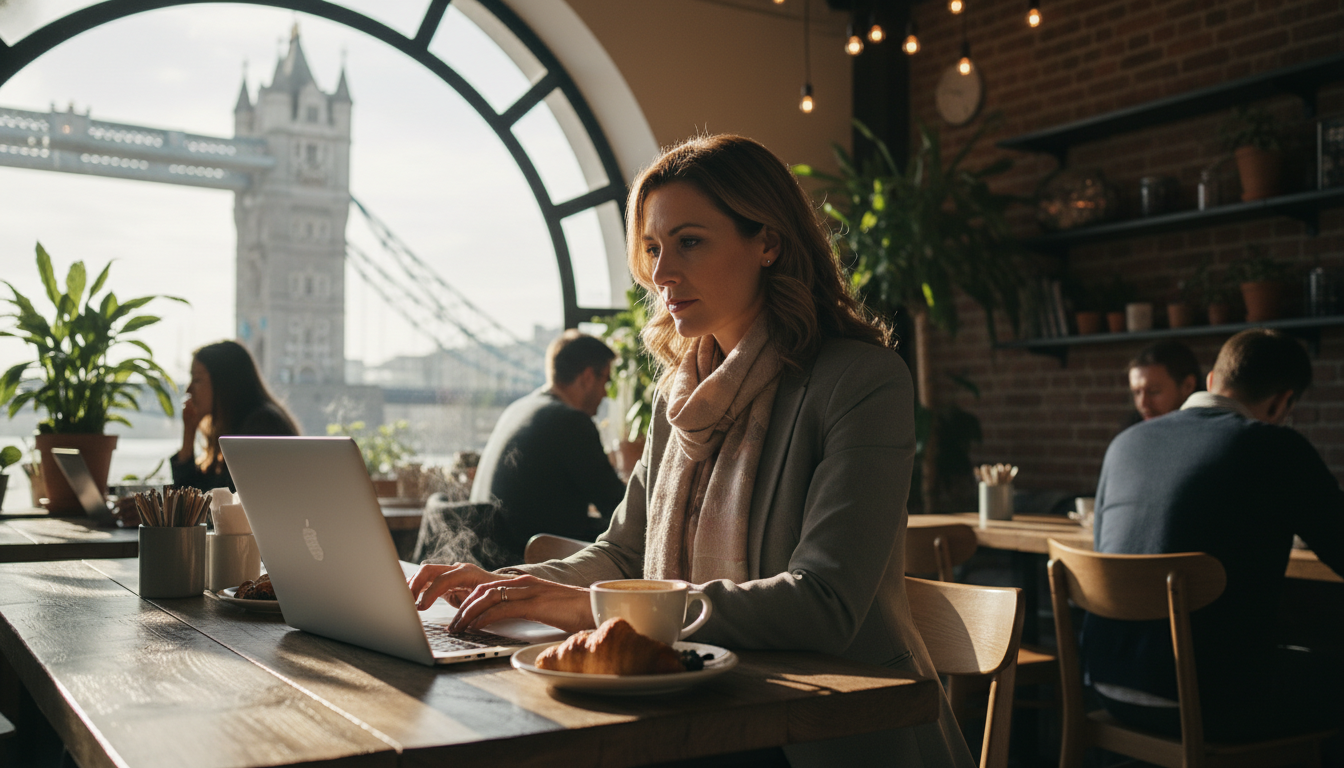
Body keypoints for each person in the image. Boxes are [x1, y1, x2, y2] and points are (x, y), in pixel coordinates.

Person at [410, 135, 974, 767]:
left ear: (768, 242)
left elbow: (825, 605)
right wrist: (510, 585)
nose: (661, 273)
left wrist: (592, 608)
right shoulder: (679, 394)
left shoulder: (862, 381)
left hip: (823, 731)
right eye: (653, 248)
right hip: (692, 708)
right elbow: (624, 553)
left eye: (690, 241)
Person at [1089, 329, 1343, 743]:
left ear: (1209, 381)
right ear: (1282, 402)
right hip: (1212, 703)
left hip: (1108, 683)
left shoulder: (1123, 444)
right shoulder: (1276, 447)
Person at [469, 331, 627, 556]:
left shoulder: (518, 409)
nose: (605, 394)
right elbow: (620, 509)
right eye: (606, 381)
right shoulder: (570, 421)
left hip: (493, 556)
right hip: (532, 560)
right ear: (588, 377)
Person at [170, 340, 300, 492]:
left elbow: (216, 502)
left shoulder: (262, 427)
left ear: (224, 384)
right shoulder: (250, 423)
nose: (189, 389)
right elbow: (196, 500)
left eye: (197, 380)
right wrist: (189, 435)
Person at [1125, 340, 1201, 423]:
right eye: (1137, 392)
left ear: (1188, 386)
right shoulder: (1131, 433)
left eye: (1153, 391)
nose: (1142, 403)